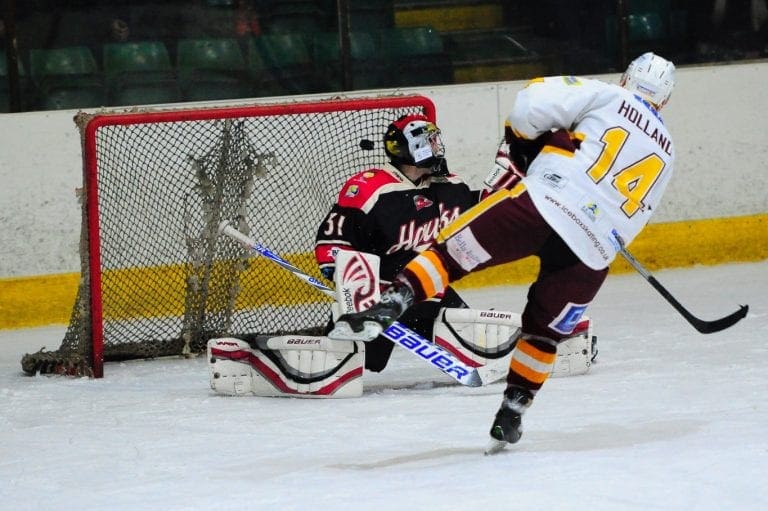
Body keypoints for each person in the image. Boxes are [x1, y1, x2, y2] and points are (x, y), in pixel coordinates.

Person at [329, 52, 675, 451]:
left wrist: (526, 146)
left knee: (449, 254)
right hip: (593, 251)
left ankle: (393, 301)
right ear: (664, 101)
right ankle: (513, 409)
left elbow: (530, 102)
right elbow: (634, 219)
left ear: (624, 78)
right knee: (544, 334)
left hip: (543, 205)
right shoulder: (667, 152)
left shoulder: (604, 95)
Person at [314, 114, 495, 373]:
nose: (437, 146)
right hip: (384, 295)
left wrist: (509, 195)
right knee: (364, 362)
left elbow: (480, 210)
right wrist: (340, 270)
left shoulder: (449, 186)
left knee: (473, 343)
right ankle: (322, 348)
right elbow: (335, 236)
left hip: (431, 291)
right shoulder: (371, 189)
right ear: (412, 147)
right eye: (430, 141)